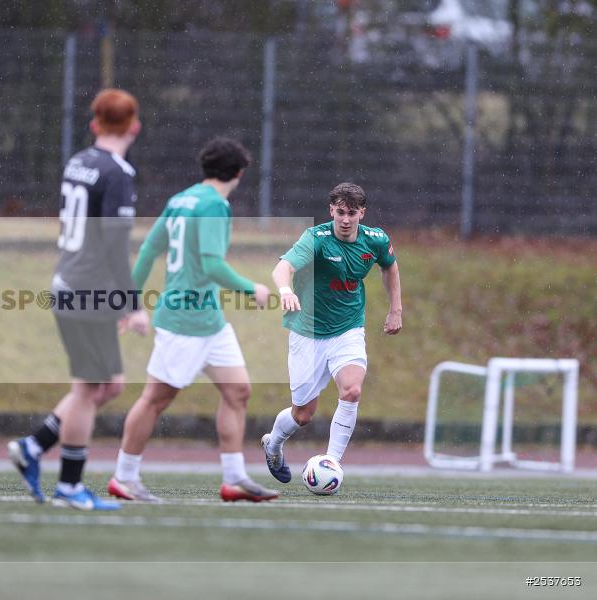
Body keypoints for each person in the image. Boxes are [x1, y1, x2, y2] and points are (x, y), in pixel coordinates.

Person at [106, 137, 278, 503]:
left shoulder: (180, 199)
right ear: (239, 173)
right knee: (156, 399)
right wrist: (252, 289)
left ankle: (234, 479)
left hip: (210, 321)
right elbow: (212, 264)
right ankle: (124, 477)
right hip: (185, 320)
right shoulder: (215, 206)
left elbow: (150, 250)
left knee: (237, 390)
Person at [7, 88, 150, 511]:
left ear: (94, 124)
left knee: (108, 385)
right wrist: (133, 306)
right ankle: (70, 486)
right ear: (134, 126)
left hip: (70, 283)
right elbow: (113, 248)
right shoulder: (117, 172)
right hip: (88, 290)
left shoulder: (79, 161)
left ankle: (34, 447)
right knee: (90, 389)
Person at [261, 182, 402, 483]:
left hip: (348, 328)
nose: (346, 219)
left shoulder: (376, 240)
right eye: (340, 212)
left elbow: (390, 267)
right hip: (307, 332)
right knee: (303, 415)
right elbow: (282, 267)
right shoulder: (317, 239)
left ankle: (331, 463)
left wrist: (395, 310)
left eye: (352, 213)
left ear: (362, 213)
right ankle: (273, 444)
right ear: (331, 211)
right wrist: (285, 290)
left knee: (351, 390)